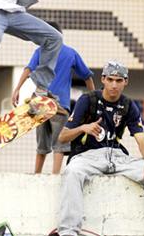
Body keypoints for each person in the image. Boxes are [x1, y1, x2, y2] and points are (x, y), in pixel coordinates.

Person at [57, 61, 144, 236]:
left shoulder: (129, 105)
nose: (113, 85)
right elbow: (63, 136)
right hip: (88, 156)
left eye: (118, 80)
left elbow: (140, 139)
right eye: (110, 79)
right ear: (102, 79)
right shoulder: (88, 100)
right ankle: (68, 235)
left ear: (125, 82)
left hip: (118, 156)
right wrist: (83, 128)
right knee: (72, 172)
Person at [12, 22, 95, 174]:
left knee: (41, 144)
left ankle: (37, 175)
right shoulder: (71, 53)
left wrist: (17, 88)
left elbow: (28, 69)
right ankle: (55, 176)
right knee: (60, 142)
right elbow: (88, 77)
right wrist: (94, 99)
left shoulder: (41, 51)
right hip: (60, 104)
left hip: (40, 102)